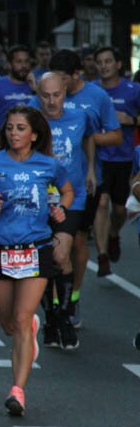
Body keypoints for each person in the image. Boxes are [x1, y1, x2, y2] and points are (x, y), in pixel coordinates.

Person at [0, 105, 72, 416]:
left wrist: (60, 209)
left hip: (36, 248)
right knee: (8, 323)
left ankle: (18, 390)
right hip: (1, 248)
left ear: (34, 135)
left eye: (21, 128)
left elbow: (67, 190)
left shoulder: (48, 164)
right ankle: (27, 326)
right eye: (10, 128)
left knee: (22, 322)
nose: (14, 133)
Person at [36, 73, 94, 350]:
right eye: (45, 95)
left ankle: (66, 317)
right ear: (38, 95)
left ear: (65, 93)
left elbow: (89, 140)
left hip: (73, 195)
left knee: (61, 254)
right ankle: (51, 316)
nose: (51, 101)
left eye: (56, 95)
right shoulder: (31, 121)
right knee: (45, 259)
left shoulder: (79, 116)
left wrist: (91, 169)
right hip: (38, 198)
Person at [93, 46, 140, 272]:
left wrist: (132, 119)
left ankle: (113, 234)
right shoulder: (91, 90)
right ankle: (102, 256)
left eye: (108, 61)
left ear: (118, 64)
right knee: (101, 203)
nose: (104, 65)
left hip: (124, 157)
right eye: (100, 62)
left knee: (119, 210)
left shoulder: (133, 90)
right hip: (98, 157)